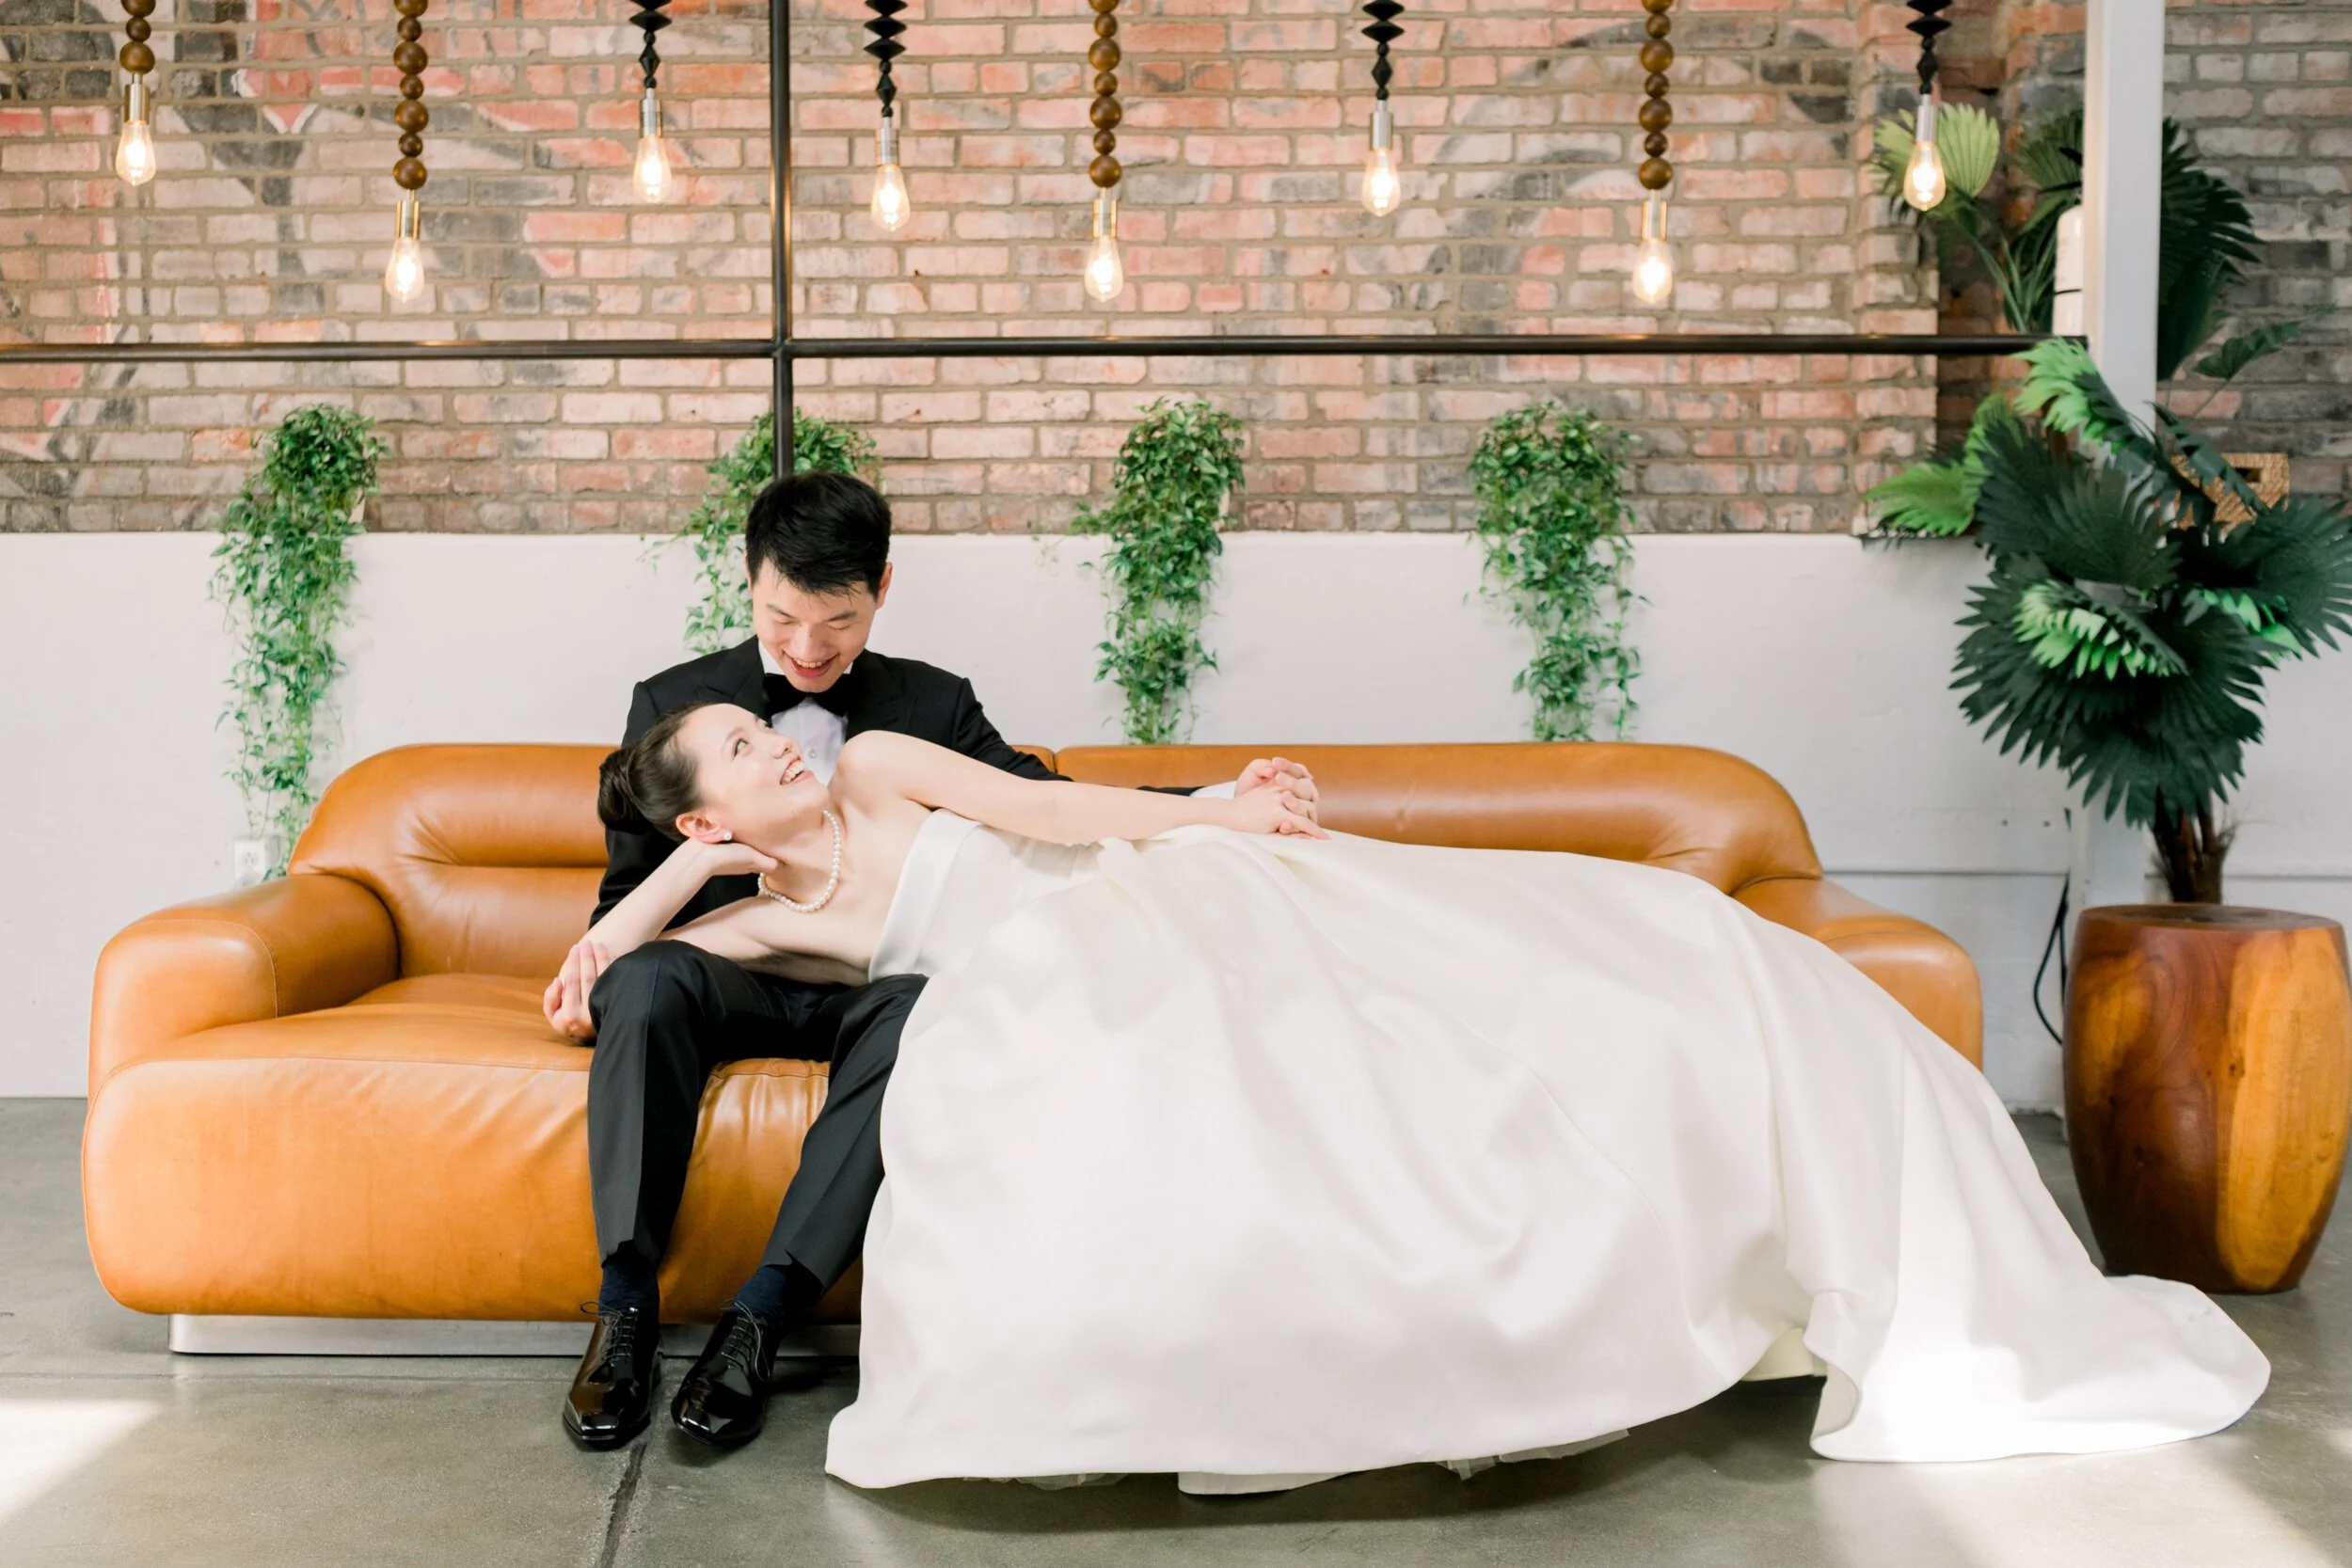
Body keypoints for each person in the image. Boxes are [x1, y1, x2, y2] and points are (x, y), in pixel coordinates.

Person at [571, 705, 2270, 1487]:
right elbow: (617, 965)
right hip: (1048, 994)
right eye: (736, 749)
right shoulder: (765, 915)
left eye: (762, 727)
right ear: (708, 814)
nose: (780, 739)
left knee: (1556, 978)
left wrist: (1225, 811)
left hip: (1146, 904)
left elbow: (1070, 815)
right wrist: (659, 885)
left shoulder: (879, 761)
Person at [546, 470, 1316, 1450]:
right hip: (742, 962)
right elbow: (626, 920)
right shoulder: (677, 709)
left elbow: (1043, 805)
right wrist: (691, 864)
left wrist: (1212, 799)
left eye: (838, 619)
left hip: (886, 982)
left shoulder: (916, 710)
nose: (808, 648)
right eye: (784, 618)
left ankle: (764, 1313)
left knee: (921, 1007)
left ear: (880, 591)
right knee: (644, 981)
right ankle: (624, 1307)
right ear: (750, 582)